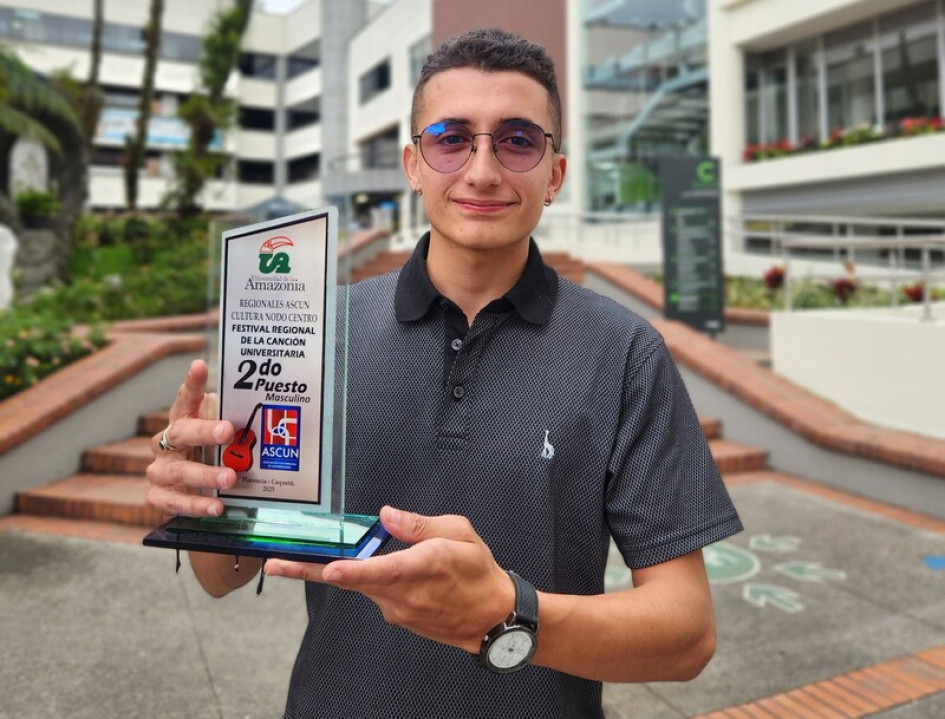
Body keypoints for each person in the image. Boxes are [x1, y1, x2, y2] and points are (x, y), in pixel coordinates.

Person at [147, 28, 742, 718]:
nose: (482, 170)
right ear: (412, 163)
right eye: (450, 137)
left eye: (517, 140)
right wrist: (199, 498)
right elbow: (226, 574)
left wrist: (505, 613)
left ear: (554, 173)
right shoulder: (309, 332)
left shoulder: (624, 352)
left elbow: (685, 634)